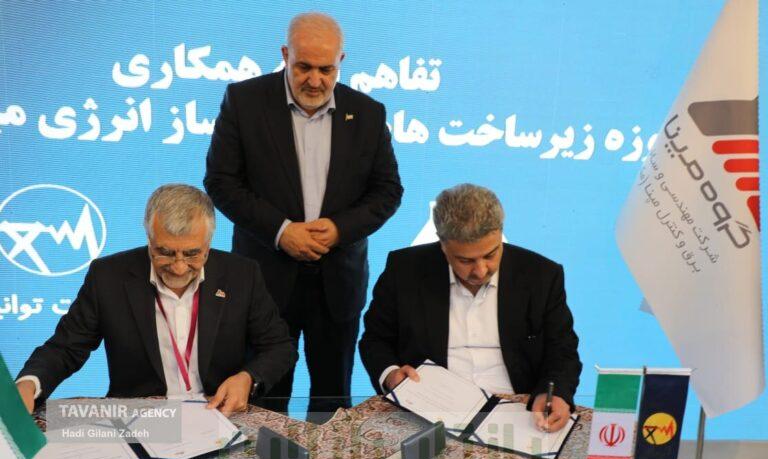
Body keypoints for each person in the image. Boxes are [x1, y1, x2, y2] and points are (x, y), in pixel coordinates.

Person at [204, 12, 402, 421]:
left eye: (326, 69)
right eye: (304, 67)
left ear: (341, 61)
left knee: (333, 401)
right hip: (266, 282)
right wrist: (281, 231)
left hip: (338, 284)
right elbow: (221, 182)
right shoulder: (244, 102)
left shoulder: (368, 113)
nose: (315, 80)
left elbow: (387, 192)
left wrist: (340, 229)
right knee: (264, 400)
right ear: (285, 55)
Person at [15, 184, 296, 416]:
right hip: (141, 420)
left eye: (192, 254)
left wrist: (247, 378)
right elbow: (65, 348)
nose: (179, 267)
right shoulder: (108, 277)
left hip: (220, 412)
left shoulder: (241, 275)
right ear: (149, 238)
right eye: (165, 252)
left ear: (208, 244)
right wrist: (28, 384)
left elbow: (279, 347)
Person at [359, 184, 582, 432]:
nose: (481, 270)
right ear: (443, 244)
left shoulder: (541, 275)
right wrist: (391, 375)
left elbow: (562, 349)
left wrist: (556, 394)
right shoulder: (404, 270)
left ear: (500, 233)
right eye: (465, 260)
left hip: (517, 408)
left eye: (490, 254)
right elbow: (376, 340)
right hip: (429, 409)